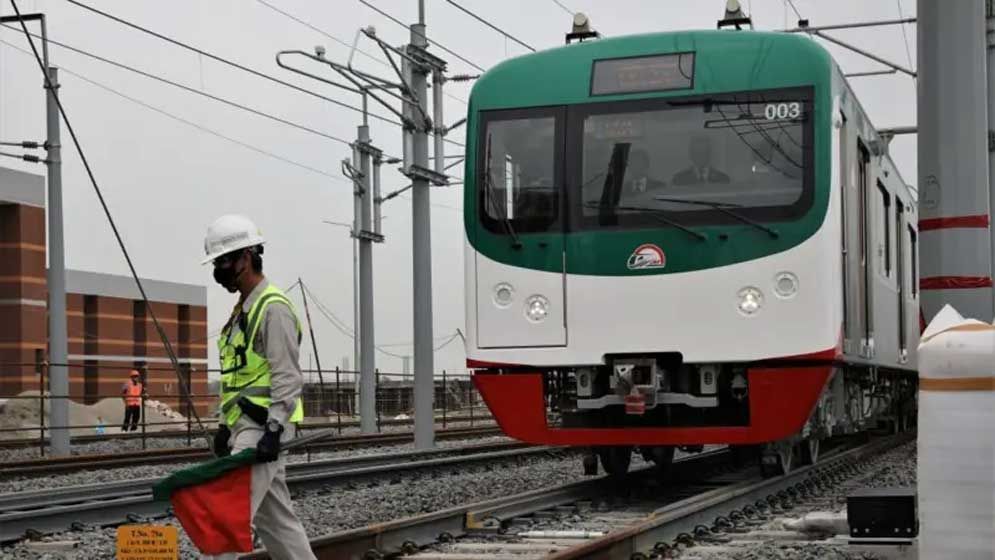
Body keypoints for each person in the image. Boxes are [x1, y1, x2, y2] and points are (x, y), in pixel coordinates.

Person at [202, 214, 316, 560]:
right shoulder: (242, 313)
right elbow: (238, 377)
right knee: (276, 522)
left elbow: (287, 376)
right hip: (246, 427)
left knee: (227, 513)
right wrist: (224, 425)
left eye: (224, 261)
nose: (219, 270)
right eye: (217, 262)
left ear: (248, 257)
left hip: (264, 426)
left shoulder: (273, 308)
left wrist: (274, 430)